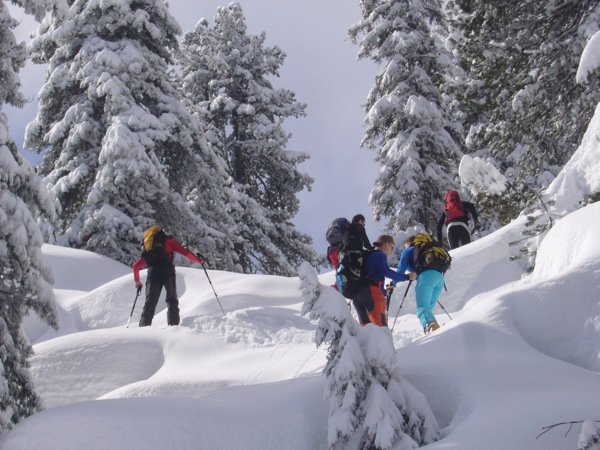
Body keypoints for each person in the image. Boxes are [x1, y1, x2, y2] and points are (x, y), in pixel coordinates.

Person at [133, 226, 204, 327]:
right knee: (172, 300)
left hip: (153, 274)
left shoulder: (149, 249)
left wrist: (137, 282)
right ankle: (173, 326)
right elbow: (186, 252)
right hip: (168, 272)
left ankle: (143, 328)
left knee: (150, 303)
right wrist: (199, 260)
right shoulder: (169, 242)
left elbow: (136, 266)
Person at [352, 235, 414, 327]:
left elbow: (371, 278)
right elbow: (386, 271)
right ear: (386, 244)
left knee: (366, 327)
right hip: (371, 292)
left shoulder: (368, 255)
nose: (391, 250)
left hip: (357, 294)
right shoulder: (379, 255)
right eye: (392, 247)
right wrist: (407, 277)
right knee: (380, 326)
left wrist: (384, 292)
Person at [396, 236, 444, 334]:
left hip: (425, 278)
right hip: (439, 278)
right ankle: (434, 329)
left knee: (422, 308)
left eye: (405, 245)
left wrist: (392, 284)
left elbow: (400, 271)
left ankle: (431, 328)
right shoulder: (427, 250)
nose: (405, 247)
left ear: (409, 243)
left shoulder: (409, 250)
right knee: (428, 309)